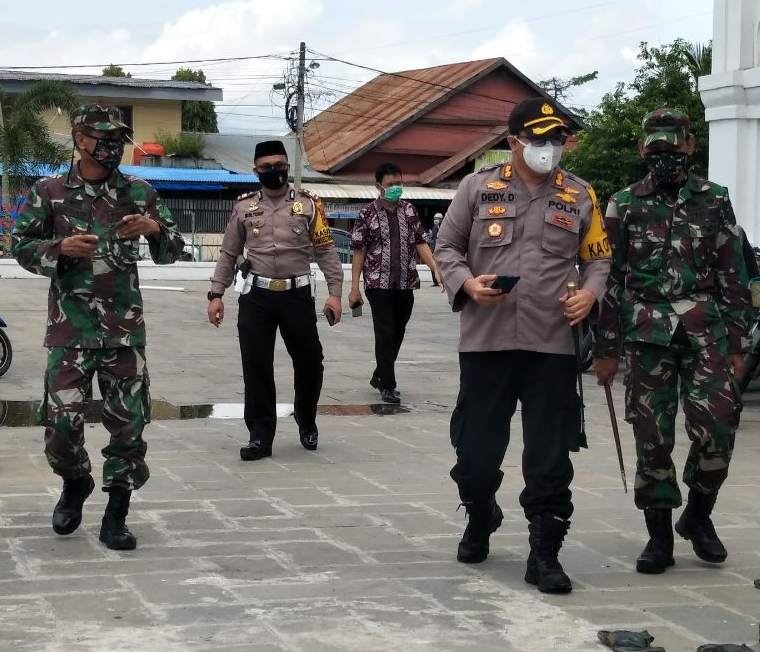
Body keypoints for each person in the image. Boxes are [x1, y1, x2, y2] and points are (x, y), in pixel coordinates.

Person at [434, 98, 611, 594]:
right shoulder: (475, 187)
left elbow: (597, 259)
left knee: (550, 455)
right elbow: (445, 247)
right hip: (486, 342)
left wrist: (591, 295)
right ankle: (480, 513)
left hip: (552, 343)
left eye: (556, 140)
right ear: (513, 142)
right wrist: (467, 284)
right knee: (474, 452)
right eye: (537, 140)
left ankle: (545, 552)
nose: (548, 149)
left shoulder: (578, 194)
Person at [12, 104, 185, 551]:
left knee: (129, 428)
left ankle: (116, 514)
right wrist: (60, 248)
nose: (111, 146)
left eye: (117, 138)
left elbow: (172, 250)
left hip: (124, 335)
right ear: (80, 138)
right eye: (102, 137)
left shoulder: (140, 192)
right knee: (62, 426)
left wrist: (153, 230)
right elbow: (20, 246)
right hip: (69, 334)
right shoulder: (48, 192)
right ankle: (75, 482)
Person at [592, 108, 752, 575]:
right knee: (652, 437)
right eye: (656, 150)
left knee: (720, 425)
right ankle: (659, 536)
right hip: (647, 334)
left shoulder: (715, 199)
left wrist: (739, 342)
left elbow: (732, 271)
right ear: (644, 150)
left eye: (673, 148)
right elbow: (612, 278)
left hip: (707, 328)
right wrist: (605, 349)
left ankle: (699, 516)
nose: (665, 158)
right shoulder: (624, 204)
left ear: (689, 147)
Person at [207, 140, 343, 461]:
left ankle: (306, 417)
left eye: (280, 166)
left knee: (310, 362)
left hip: (297, 296)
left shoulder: (309, 205)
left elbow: (325, 250)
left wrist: (335, 293)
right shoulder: (243, 207)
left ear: (287, 167)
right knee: (256, 366)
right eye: (267, 168)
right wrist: (216, 294)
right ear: (256, 171)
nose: (274, 173)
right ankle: (259, 435)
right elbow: (229, 253)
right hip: (256, 296)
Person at [348, 162, 441, 404]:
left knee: (398, 333)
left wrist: (435, 268)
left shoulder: (409, 210)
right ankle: (388, 386)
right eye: (390, 185)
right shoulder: (366, 214)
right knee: (385, 332)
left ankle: (380, 374)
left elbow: (420, 241)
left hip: (405, 282)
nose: (396, 188)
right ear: (378, 186)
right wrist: (354, 288)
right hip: (377, 284)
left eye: (399, 183)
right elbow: (359, 251)